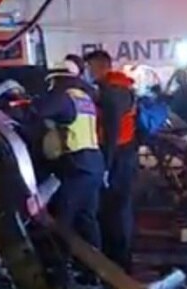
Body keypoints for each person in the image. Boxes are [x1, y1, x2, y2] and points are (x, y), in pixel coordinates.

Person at [32, 66, 105, 251]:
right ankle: (95, 269)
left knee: (63, 218)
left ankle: (61, 268)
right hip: (94, 163)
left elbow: (39, 111)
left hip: (77, 165)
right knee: (87, 219)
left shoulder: (64, 97)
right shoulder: (84, 98)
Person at [85, 50, 139, 270]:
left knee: (117, 208)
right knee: (117, 207)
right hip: (125, 153)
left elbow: (112, 131)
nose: (87, 73)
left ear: (99, 67)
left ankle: (121, 259)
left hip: (118, 156)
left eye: (89, 68)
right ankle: (119, 255)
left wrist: (106, 165)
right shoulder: (121, 89)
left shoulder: (112, 92)